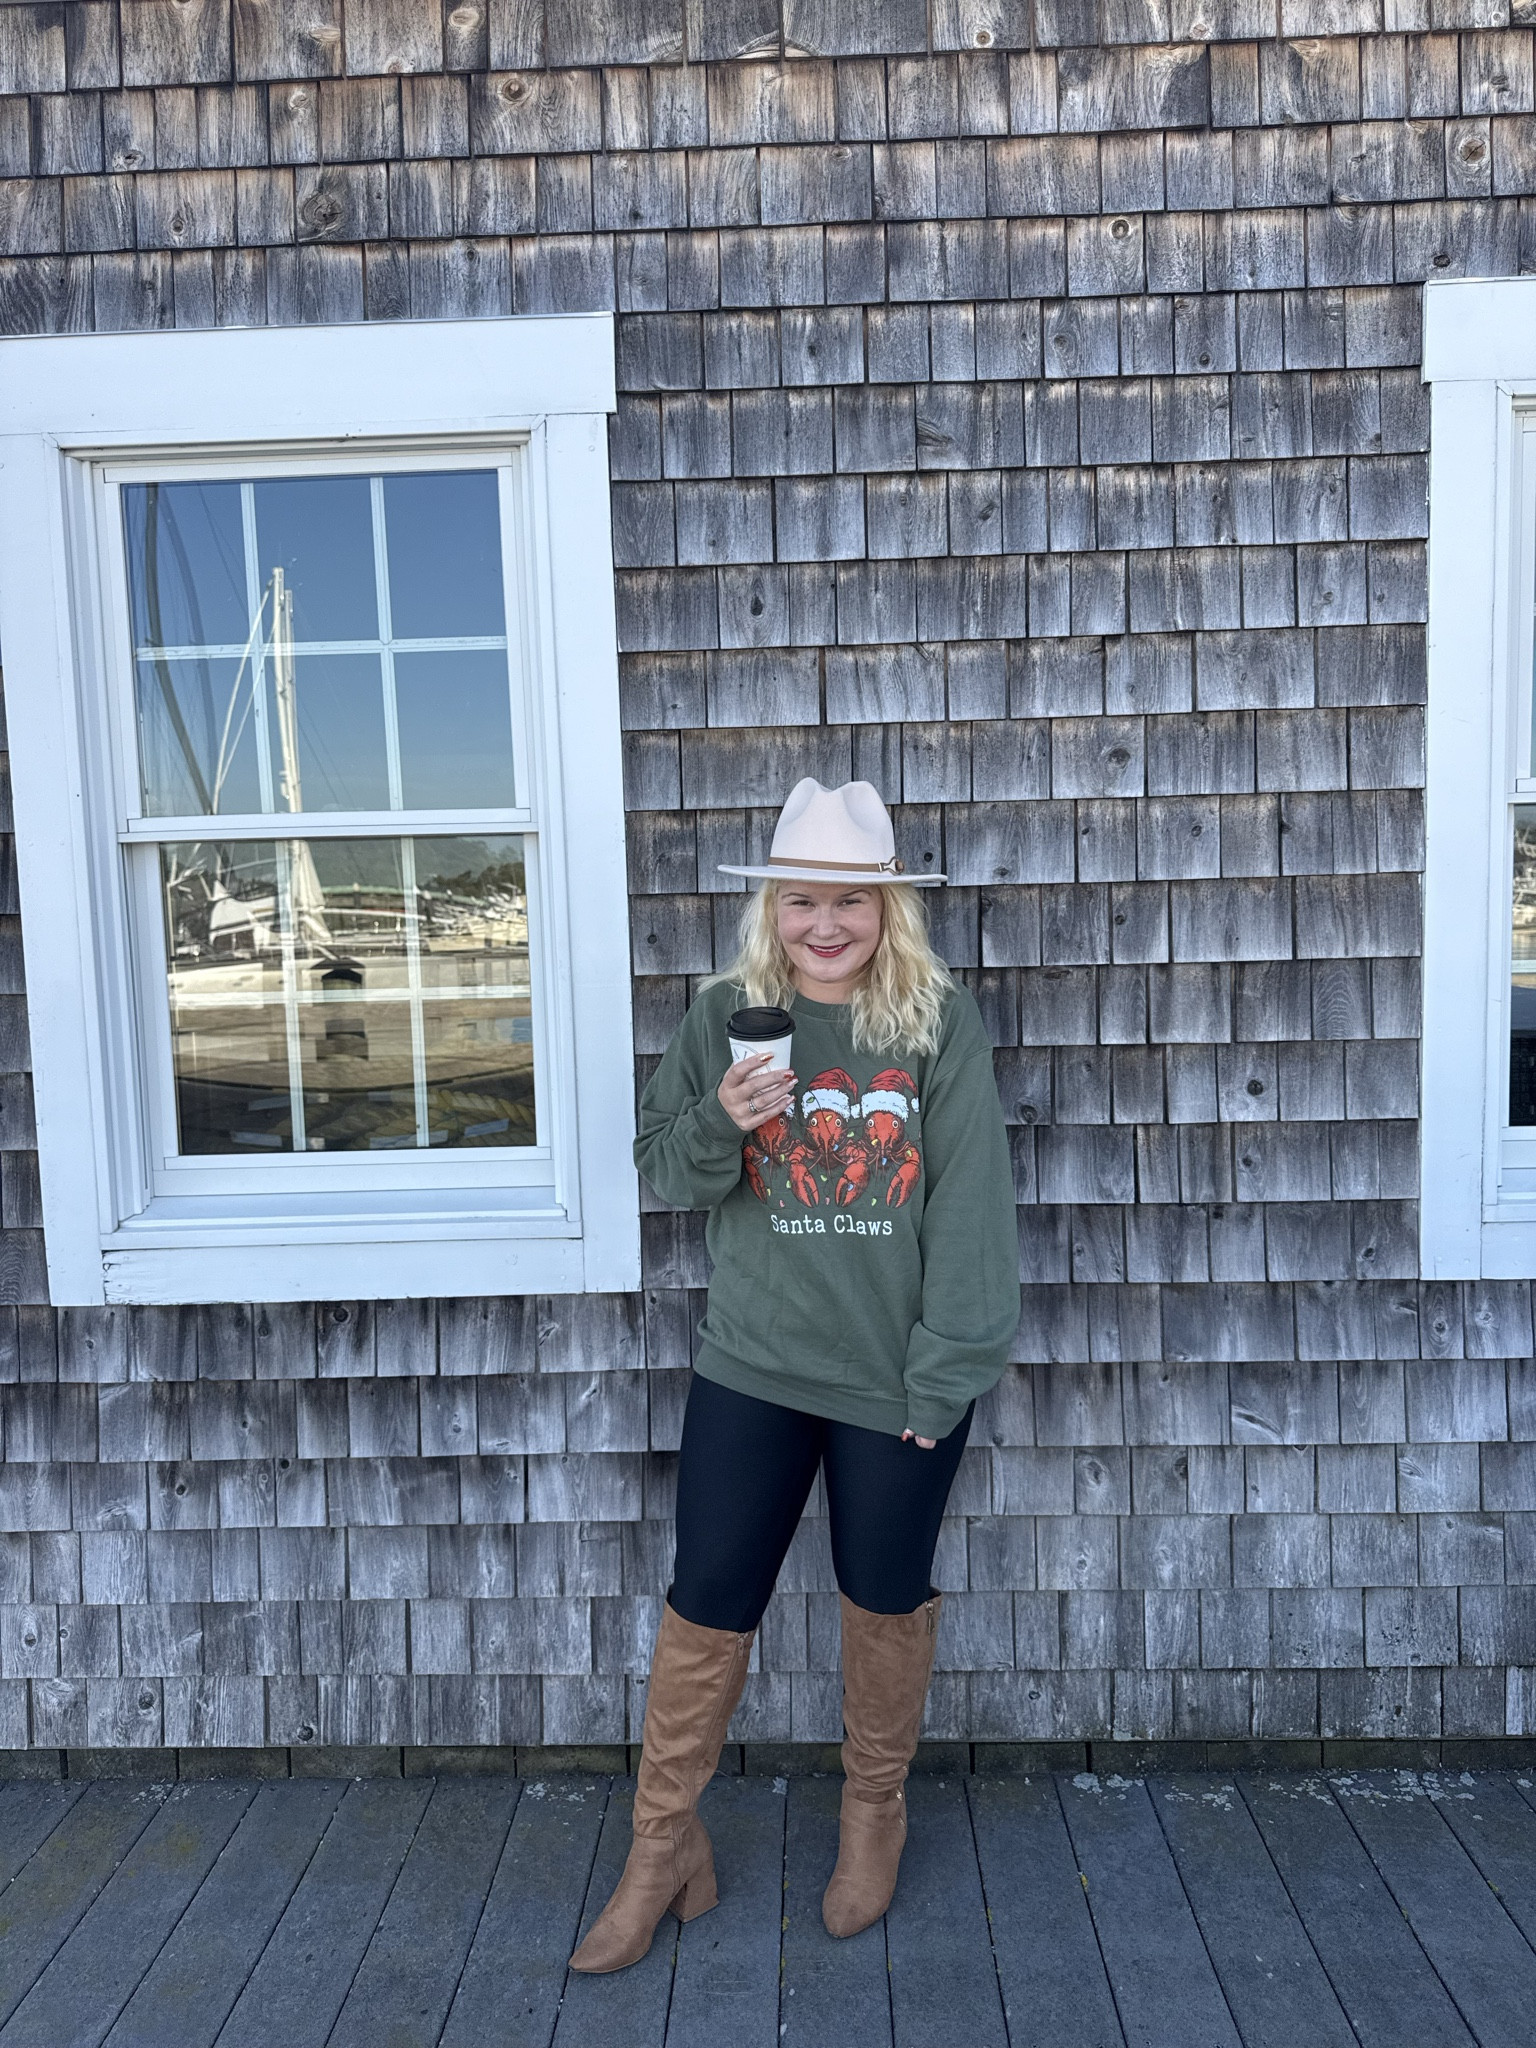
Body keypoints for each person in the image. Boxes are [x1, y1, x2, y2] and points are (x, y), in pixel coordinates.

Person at [569, 777, 1020, 1973]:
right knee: (707, 1600)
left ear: (888, 910)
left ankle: (873, 1812)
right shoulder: (728, 1013)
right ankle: (662, 1846)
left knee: (884, 1599)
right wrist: (723, 1114)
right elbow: (669, 1171)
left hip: (895, 1377)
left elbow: (972, 1204)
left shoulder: (934, 1021)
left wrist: (946, 1371)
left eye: (851, 901)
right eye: (804, 899)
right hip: (755, 1366)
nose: (827, 923)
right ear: (772, 906)